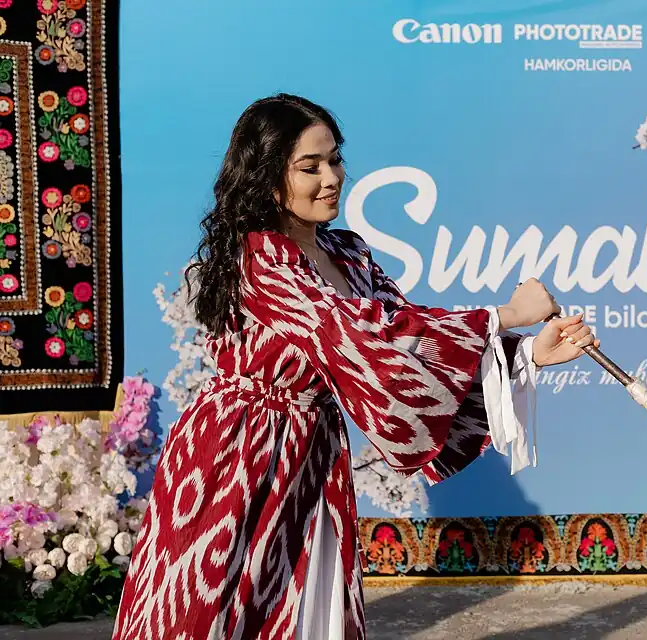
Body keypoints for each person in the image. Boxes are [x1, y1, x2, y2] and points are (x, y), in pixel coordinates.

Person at [112, 93, 598, 640]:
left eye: (336, 159)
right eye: (310, 166)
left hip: (310, 448)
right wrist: (505, 314)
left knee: (302, 608)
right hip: (234, 452)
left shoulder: (349, 253)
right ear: (268, 175)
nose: (331, 177)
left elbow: (405, 337)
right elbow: (354, 333)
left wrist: (529, 351)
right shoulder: (260, 257)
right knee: (210, 611)